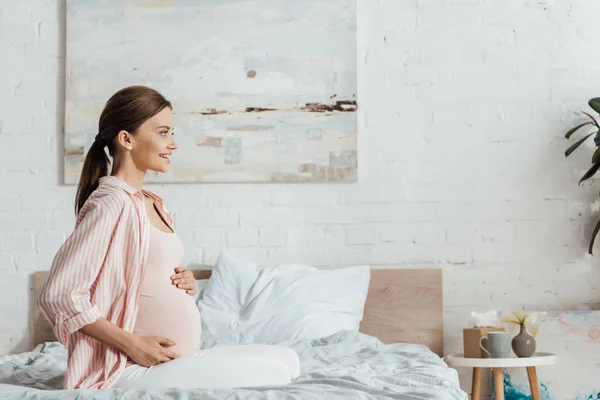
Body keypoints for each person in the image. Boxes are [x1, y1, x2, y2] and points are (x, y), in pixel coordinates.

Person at [37, 86, 300, 390]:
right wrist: (132, 344)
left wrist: (182, 280)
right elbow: (58, 293)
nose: (173, 144)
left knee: (288, 358)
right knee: (275, 372)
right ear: (126, 139)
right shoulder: (111, 202)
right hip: (126, 365)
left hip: (170, 359)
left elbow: (141, 272)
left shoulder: (151, 201)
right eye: (163, 133)